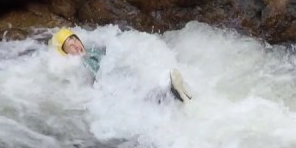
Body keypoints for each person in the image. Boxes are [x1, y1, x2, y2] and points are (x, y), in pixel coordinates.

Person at [50, 27, 192, 102]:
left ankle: (173, 94)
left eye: (75, 39)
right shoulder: (79, 65)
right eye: (70, 45)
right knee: (137, 95)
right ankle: (171, 94)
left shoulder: (93, 47)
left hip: (117, 72)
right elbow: (90, 84)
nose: (75, 44)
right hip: (109, 85)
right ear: (67, 53)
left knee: (139, 82)